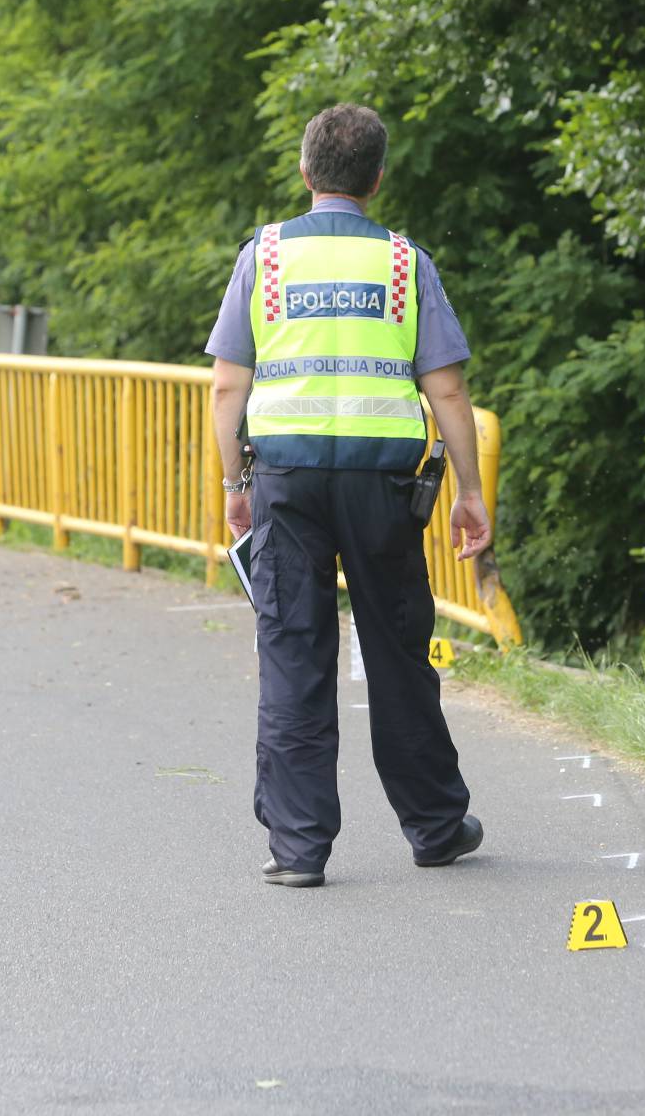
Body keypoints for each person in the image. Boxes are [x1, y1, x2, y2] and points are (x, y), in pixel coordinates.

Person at [206, 102, 491, 888]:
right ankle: (434, 825)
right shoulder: (404, 264)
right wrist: (470, 492)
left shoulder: (262, 257)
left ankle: (298, 849)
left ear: (305, 174)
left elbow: (229, 383)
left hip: (287, 484)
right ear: (377, 177)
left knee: (294, 652)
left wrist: (235, 488)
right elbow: (449, 390)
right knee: (399, 652)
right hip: (383, 486)